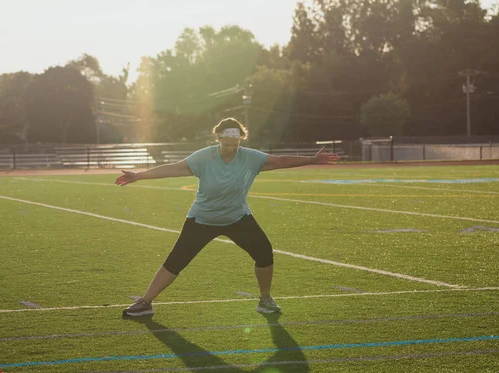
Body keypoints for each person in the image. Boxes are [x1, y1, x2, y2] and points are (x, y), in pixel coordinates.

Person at [116, 118, 338, 317]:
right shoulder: (204, 157)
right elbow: (173, 168)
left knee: (264, 252)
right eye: (227, 144)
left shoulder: (249, 157)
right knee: (176, 261)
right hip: (202, 219)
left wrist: (312, 159)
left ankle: (265, 300)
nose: (231, 149)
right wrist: (138, 176)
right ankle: (145, 302)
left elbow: (279, 161)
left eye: (236, 144)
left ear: (241, 139)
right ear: (218, 138)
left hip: (237, 217)